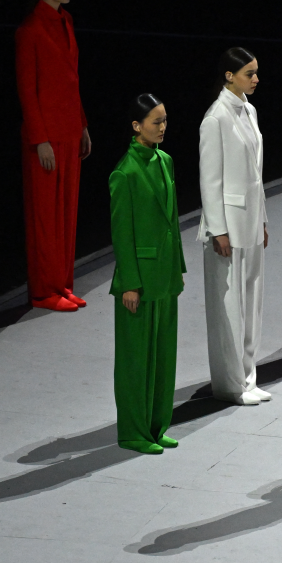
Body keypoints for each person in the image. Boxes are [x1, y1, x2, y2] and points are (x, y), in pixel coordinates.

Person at [109, 94, 186, 455]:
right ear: (137, 126)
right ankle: (133, 432)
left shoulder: (165, 161)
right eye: (156, 121)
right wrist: (129, 283)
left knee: (163, 355)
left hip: (165, 274)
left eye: (165, 120)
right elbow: (122, 234)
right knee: (135, 360)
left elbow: (172, 220)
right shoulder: (124, 173)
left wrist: (178, 267)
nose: (162, 127)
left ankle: (157, 426)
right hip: (138, 279)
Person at [16, 0, 91, 312]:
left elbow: (72, 78)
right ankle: (44, 289)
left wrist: (82, 124)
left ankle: (62, 282)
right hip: (46, 134)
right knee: (46, 215)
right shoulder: (30, 30)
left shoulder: (66, 21)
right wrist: (39, 138)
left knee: (66, 212)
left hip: (69, 128)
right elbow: (27, 90)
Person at [198, 48, 271, 405]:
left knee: (251, 303)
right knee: (229, 307)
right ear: (229, 76)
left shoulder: (249, 110)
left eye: (256, 72)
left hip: (251, 221)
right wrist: (218, 230)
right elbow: (210, 180)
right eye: (249, 73)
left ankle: (248, 377)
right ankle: (230, 384)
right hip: (227, 225)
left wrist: (263, 218)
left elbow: (256, 174)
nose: (256, 79)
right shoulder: (215, 118)